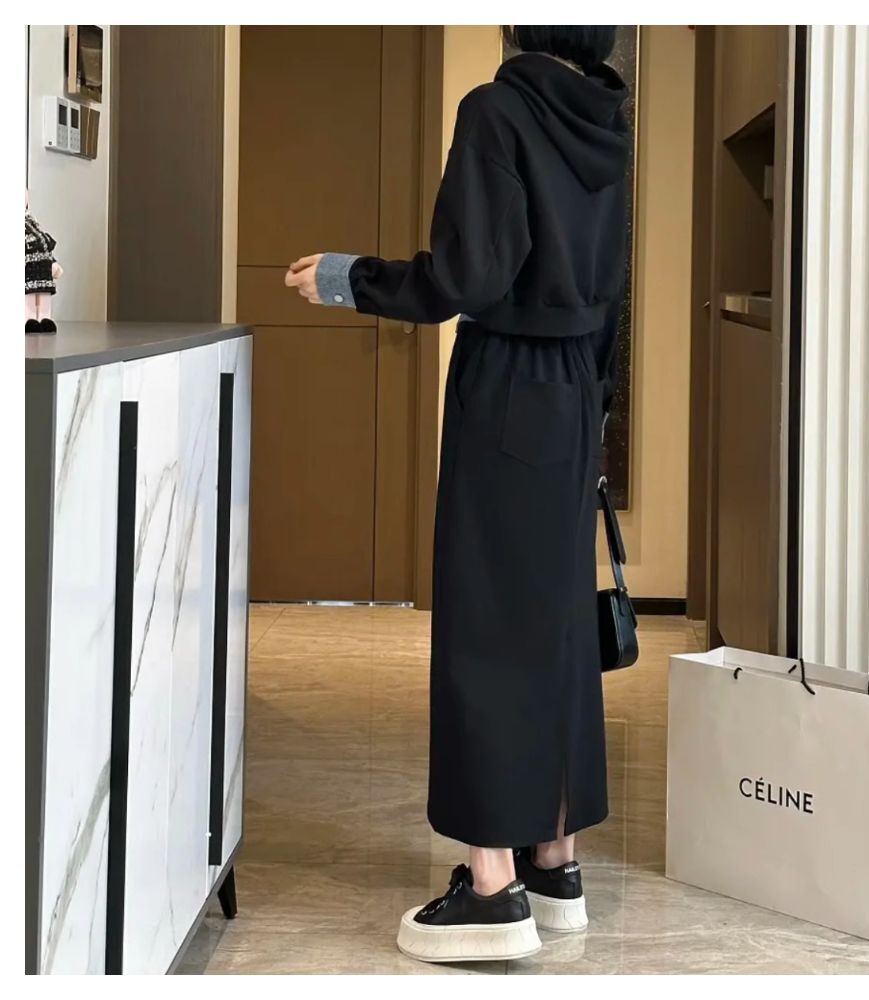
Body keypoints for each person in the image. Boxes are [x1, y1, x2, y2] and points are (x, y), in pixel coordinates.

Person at [285, 25, 629, 964]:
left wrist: (349, 278)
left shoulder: (497, 110)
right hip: (576, 393)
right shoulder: (608, 123)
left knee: (485, 634)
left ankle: (491, 888)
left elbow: (467, 278)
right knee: (554, 629)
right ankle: (554, 863)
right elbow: (611, 289)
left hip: (509, 385)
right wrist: (594, 408)